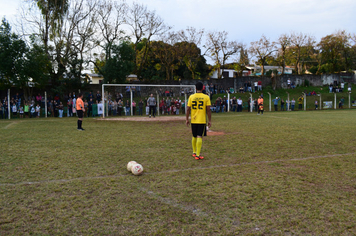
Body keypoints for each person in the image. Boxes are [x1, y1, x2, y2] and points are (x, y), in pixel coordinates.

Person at [186, 82, 212, 160]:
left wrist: (187, 119)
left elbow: (188, 109)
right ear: (202, 88)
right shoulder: (206, 97)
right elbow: (208, 110)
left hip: (193, 120)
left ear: (195, 88)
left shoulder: (191, 96)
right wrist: (209, 120)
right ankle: (198, 155)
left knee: (194, 136)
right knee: (199, 136)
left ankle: (194, 152)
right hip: (201, 120)